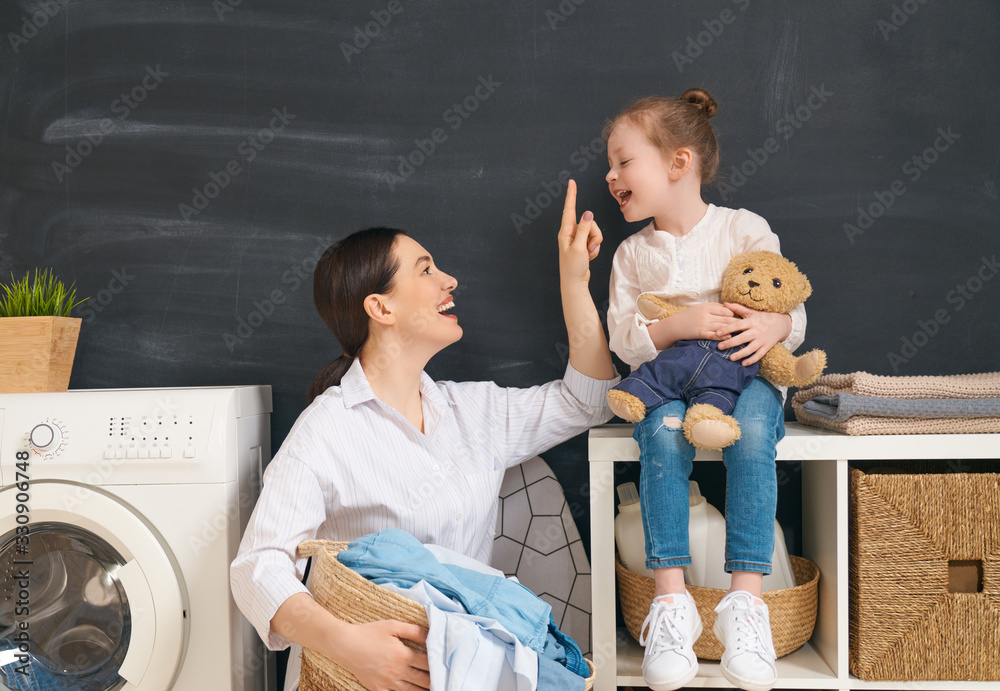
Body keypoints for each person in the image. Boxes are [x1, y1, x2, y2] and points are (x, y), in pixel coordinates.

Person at [230, 180, 620, 691]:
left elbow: (585, 401)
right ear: (381, 308)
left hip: (460, 669)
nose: (449, 280)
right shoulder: (327, 429)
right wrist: (351, 646)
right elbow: (258, 566)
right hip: (352, 678)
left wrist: (574, 279)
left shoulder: (473, 410)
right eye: (427, 269)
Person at [603, 89, 807, 691]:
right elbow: (622, 334)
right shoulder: (632, 253)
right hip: (667, 382)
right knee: (663, 442)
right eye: (609, 166)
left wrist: (777, 324)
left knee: (748, 442)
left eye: (623, 161)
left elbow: (786, 298)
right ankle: (672, 602)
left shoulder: (743, 229)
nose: (611, 176)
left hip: (746, 375)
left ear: (678, 162)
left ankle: (746, 603)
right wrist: (678, 326)